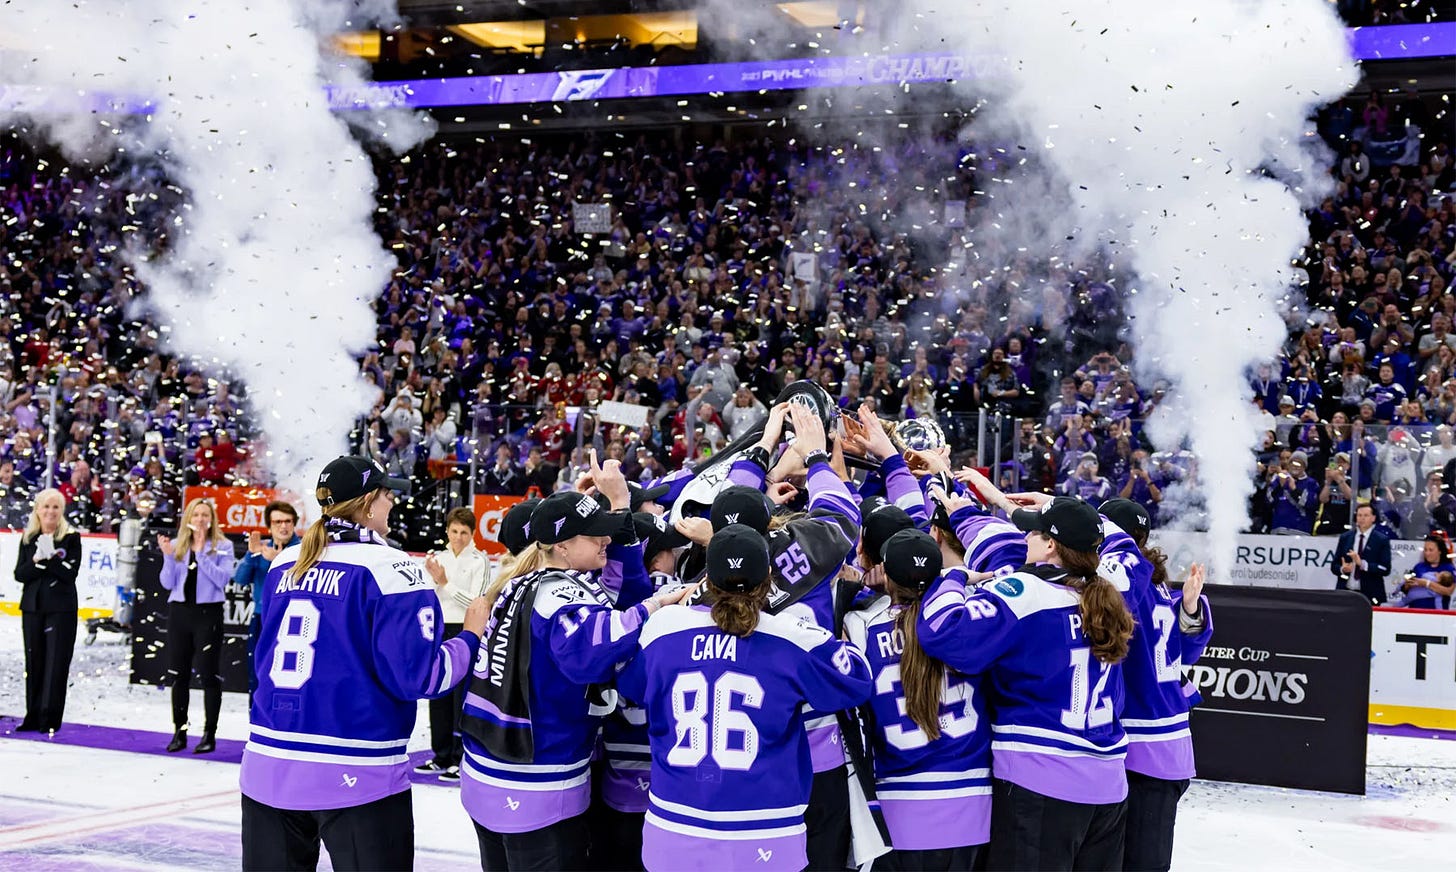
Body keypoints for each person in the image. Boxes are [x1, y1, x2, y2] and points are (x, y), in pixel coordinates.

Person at [240, 456, 488, 872]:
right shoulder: (393, 568)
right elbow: (422, 678)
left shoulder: (285, 562)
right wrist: (470, 637)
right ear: (370, 502)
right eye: (388, 495)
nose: (393, 503)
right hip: (357, 770)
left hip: (268, 763)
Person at [458, 457, 691, 871]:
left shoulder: (521, 583)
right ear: (563, 546)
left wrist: (619, 505)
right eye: (594, 534)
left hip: (487, 771)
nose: (605, 539)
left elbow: (617, 587)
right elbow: (595, 647)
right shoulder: (561, 598)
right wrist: (654, 607)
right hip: (535, 784)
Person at [617, 524, 874, 871]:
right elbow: (857, 681)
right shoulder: (792, 637)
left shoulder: (664, 629)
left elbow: (631, 687)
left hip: (674, 827)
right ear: (768, 576)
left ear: (708, 580)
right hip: (765, 831)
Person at [920, 476, 1136, 871]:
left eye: (1033, 531)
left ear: (1050, 545)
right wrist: (1069, 510)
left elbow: (946, 633)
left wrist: (953, 578)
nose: (1024, 538)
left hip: (1041, 782)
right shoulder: (1114, 587)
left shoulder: (1027, 592)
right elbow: (1125, 547)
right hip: (1108, 788)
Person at [843, 529, 990, 871]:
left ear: (887, 576)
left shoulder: (860, 625)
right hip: (971, 804)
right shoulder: (964, 622)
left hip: (897, 806)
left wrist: (864, 588)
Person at [1097, 499, 1211, 872]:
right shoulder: (1156, 585)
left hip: (1146, 747)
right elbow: (1187, 650)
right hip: (1160, 747)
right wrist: (1190, 609)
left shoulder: (1128, 584)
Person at [416, 506, 490, 782]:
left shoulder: (479, 561)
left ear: (472, 534)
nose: (458, 537)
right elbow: (428, 595)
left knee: (462, 694)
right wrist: (436, 582)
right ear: (447, 530)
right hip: (438, 628)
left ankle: (460, 757)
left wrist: (445, 583)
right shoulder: (437, 559)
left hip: (466, 629)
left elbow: (477, 602)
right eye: (454, 531)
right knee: (439, 692)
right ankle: (441, 754)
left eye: (464, 532)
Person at [158, 497, 236, 754]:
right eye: (196, 515)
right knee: (178, 675)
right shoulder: (178, 546)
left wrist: (202, 553)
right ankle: (179, 732)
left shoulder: (223, 546)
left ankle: (209, 733)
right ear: (188, 519)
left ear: (212, 519)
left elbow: (222, 579)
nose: (200, 520)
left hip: (208, 614)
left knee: (209, 674)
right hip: (180, 613)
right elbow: (167, 583)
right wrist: (168, 557)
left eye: (205, 515)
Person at [14, 489, 82, 733]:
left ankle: (49, 717)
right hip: (33, 607)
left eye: (55, 507)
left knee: (55, 663)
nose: (50, 512)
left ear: (62, 510)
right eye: (46, 506)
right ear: (37, 510)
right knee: (34, 662)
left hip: (61, 609)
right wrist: (36, 561)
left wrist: (50, 558)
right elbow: (20, 574)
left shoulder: (71, 539)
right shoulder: (28, 538)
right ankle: (32, 715)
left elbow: (69, 574)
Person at [234, 500, 300, 702]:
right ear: (269, 526)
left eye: (288, 521)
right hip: (262, 618)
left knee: (289, 678)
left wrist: (279, 560)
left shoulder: (304, 550)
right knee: (257, 674)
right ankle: (255, 716)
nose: (283, 526)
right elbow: (240, 580)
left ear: (294, 523)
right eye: (278, 522)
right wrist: (250, 554)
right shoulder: (261, 549)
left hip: (293, 621)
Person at [1330, 503, 1392, 604]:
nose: (1362, 518)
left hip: (1370, 595)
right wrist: (1342, 569)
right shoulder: (1346, 537)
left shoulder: (1381, 540)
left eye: (1366, 515)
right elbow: (1334, 565)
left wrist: (1363, 564)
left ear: (1373, 518)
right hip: (1345, 592)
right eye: (1359, 515)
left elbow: (1385, 568)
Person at [1391, 535, 1455, 610]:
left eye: (1431, 550)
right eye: (1425, 550)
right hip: (1414, 611)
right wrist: (1407, 585)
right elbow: (1405, 587)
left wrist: (1427, 583)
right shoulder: (1418, 566)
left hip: (1436, 613)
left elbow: (1449, 591)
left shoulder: (1448, 568)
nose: (1427, 553)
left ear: (1440, 551)